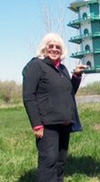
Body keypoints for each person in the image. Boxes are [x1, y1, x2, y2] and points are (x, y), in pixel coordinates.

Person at [22, 33, 88, 182]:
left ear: (62, 50)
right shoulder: (35, 66)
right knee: (48, 163)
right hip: (48, 125)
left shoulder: (62, 69)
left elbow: (68, 92)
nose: (54, 49)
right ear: (44, 48)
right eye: (50, 46)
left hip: (64, 124)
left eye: (57, 47)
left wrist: (76, 76)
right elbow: (28, 97)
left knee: (61, 162)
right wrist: (37, 124)